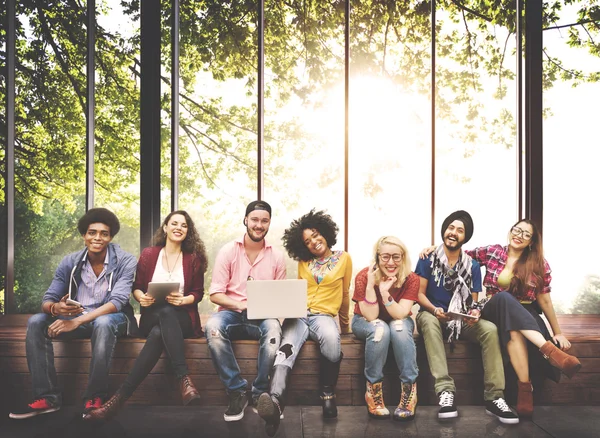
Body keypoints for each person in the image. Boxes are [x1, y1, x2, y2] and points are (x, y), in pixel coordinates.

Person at [9, 208, 137, 420]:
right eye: (92, 232)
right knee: (36, 322)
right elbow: (48, 298)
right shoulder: (70, 261)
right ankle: (47, 397)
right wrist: (55, 309)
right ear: (84, 235)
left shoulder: (125, 260)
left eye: (104, 233)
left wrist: (76, 321)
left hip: (114, 319)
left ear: (111, 236)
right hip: (78, 318)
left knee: (103, 323)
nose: (97, 237)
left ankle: (94, 397)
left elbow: (117, 302)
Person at [83, 210, 208, 422]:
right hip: (151, 315)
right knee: (162, 317)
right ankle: (184, 378)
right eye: (174, 223)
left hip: (182, 319)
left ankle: (117, 400)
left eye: (184, 225)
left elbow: (198, 293)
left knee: (163, 325)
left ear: (188, 231)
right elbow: (137, 287)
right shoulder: (150, 254)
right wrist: (141, 298)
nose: (179, 228)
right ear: (166, 227)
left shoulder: (193, 258)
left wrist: (183, 299)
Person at [462, 219, 581, 417]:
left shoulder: (539, 264)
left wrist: (557, 332)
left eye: (526, 234)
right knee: (504, 297)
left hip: (524, 316)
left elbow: (545, 302)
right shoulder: (493, 251)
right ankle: (551, 352)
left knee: (514, 329)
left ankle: (525, 390)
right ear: (510, 231)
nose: (519, 236)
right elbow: (459, 256)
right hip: (492, 309)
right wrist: (434, 248)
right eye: (517, 230)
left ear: (531, 241)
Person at [415, 210, 519, 424]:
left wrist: (473, 313)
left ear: (466, 237)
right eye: (451, 228)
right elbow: (418, 294)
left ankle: (495, 397)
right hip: (433, 315)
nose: (453, 233)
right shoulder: (428, 258)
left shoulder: (471, 266)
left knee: (489, 329)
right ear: (444, 230)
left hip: (459, 320)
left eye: (460, 230)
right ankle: (445, 392)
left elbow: (471, 302)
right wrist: (435, 310)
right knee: (426, 319)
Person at [258, 209, 351, 437]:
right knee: (285, 350)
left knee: (331, 339)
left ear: (326, 233)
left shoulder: (344, 259)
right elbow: (298, 290)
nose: (314, 242)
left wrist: (345, 326)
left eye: (316, 235)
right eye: (307, 241)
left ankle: (327, 394)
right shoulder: (304, 262)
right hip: (299, 314)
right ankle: (275, 401)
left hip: (324, 316)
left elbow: (345, 293)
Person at [205, 200, 286, 422]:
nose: (259, 225)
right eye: (255, 220)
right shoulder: (228, 251)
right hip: (231, 313)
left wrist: (275, 311)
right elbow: (215, 294)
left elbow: (279, 297)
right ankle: (236, 391)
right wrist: (240, 304)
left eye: (264, 220)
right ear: (246, 220)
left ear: (269, 223)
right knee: (212, 327)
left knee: (273, 329)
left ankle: (260, 393)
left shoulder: (277, 256)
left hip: (261, 317)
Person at [351, 236, 420, 421]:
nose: (391, 262)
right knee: (380, 328)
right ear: (377, 257)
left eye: (396, 257)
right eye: (385, 257)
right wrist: (371, 285)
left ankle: (409, 391)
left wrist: (384, 292)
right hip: (364, 320)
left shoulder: (411, 279)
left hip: (397, 318)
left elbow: (401, 314)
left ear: (403, 257)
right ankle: (373, 390)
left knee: (398, 328)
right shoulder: (364, 276)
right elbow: (371, 316)